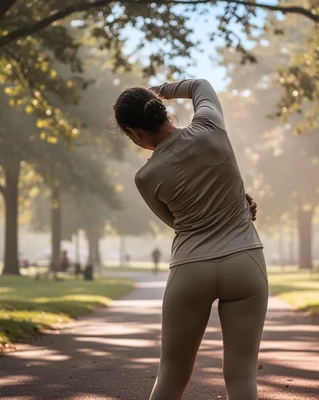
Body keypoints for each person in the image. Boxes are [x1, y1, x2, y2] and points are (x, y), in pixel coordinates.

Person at [114, 79, 265, 400]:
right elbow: (200, 85)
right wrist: (159, 89)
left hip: (191, 270)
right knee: (241, 377)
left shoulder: (146, 177)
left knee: (170, 376)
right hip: (245, 263)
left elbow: (178, 222)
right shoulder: (211, 127)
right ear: (161, 109)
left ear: (135, 132)